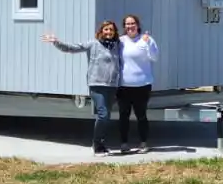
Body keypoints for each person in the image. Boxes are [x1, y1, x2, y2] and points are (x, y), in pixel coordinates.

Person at [42, 21, 121, 154]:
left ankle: (101, 143)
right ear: (101, 31)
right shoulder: (93, 44)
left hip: (112, 85)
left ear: (114, 32)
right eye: (106, 29)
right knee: (103, 114)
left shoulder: (117, 46)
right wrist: (56, 42)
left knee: (106, 117)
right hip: (97, 84)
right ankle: (96, 145)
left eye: (111, 30)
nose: (108, 32)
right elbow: (72, 48)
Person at [117, 13, 159, 152]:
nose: (130, 26)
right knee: (124, 116)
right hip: (123, 85)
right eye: (127, 24)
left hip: (142, 85)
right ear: (124, 27)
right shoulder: (120, 41)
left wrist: (147, 44)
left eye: (132, 23)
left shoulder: (146, 39)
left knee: (141, 116)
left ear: (138, 25)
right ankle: (124, 143)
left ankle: (143, 143)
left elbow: (155, 57)